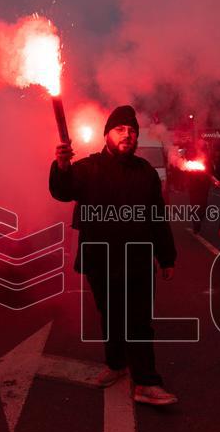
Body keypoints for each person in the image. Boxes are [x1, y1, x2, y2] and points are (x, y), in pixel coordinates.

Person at [49, 105, 179, 406]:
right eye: (121, 129)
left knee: (139, 320)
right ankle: (116, 364)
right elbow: (62, 190)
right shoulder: (87, 168)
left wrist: (166, 257)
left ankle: (146, 382)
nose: (128, 135)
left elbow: (157, 219)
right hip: (100, 258)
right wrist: (62, 166)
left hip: (137, 259)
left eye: (132, 131)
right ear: (107, 134)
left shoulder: (145, 172)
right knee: (110, 315)